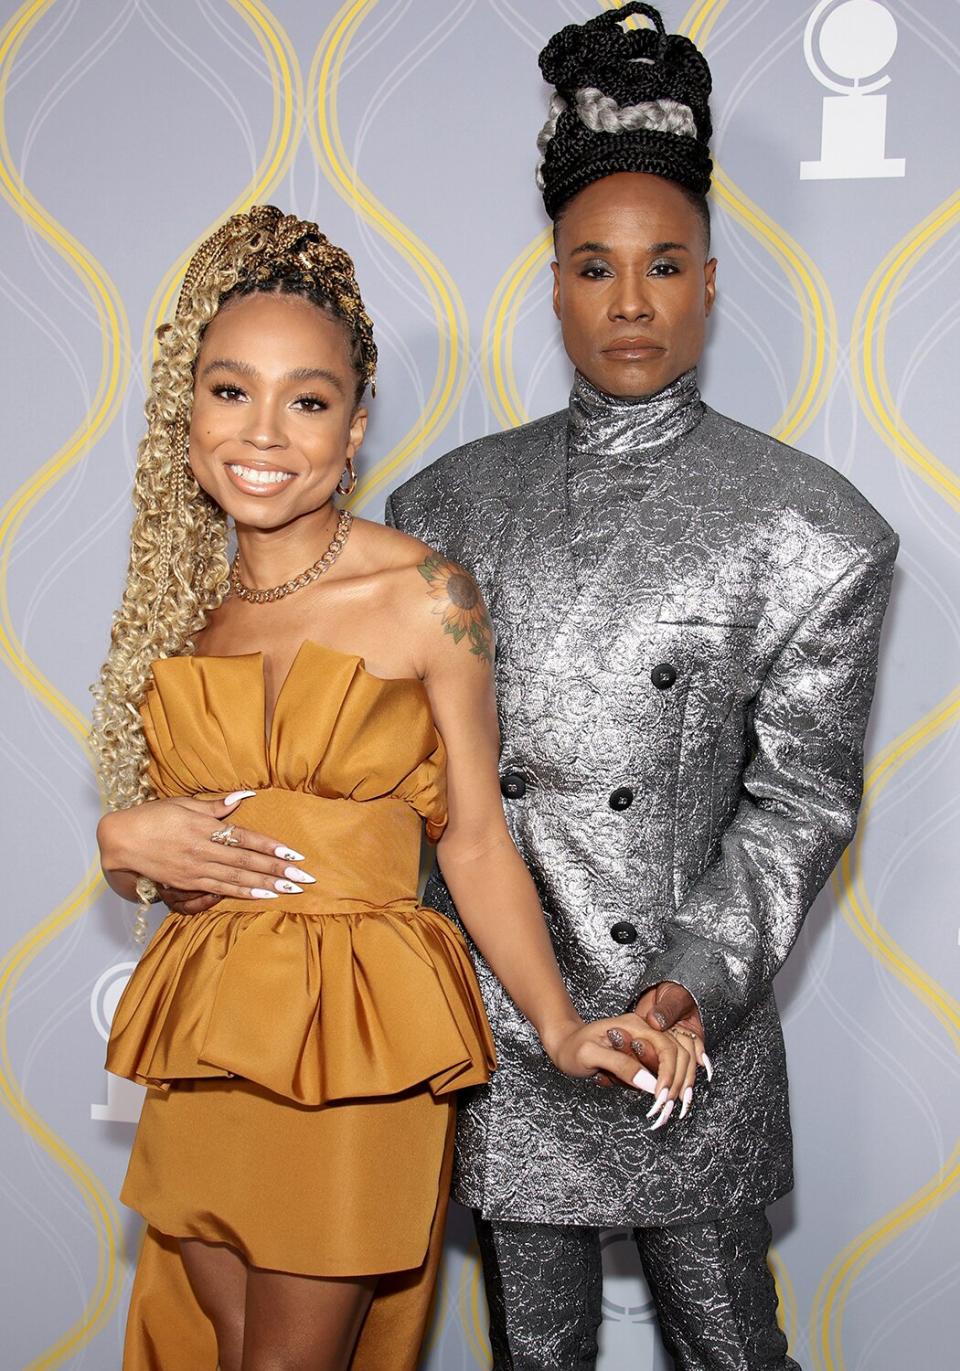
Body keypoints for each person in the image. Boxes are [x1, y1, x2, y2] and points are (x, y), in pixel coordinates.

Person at [385, 5, 899, 1368]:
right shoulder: (441, 508)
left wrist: (688, 982)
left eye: (662, 265)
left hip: (687, 1031)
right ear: (552, 283)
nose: (628, 302)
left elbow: (798, 800)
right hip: (511, 1016)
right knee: (533, 1347)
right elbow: (420, 791)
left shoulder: (810, 528)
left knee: (734, 1342)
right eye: (593, 267)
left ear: (711, 282)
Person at [92, 205, 690, 1371]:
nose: (264, 431)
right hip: (207, 1030)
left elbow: (471, 839)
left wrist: (560, 1023)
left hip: (357, 1036)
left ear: (354, 427)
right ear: (188, 411)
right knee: (213, 1347)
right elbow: (166, 860)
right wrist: (123, 839)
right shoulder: (187, 609)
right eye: (230, 391)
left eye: (306, 400)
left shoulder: (428, 594)